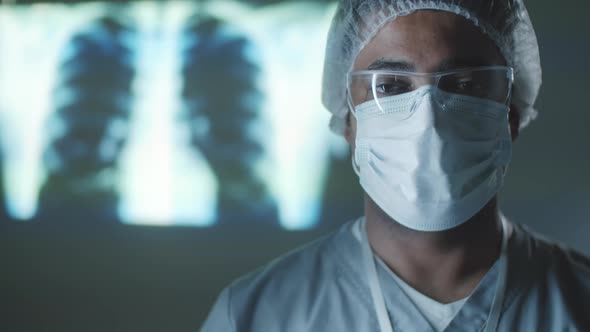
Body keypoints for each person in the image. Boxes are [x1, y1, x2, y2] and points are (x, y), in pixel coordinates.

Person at [201, 1, 590, 331]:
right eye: (390, 86)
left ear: (511, 117)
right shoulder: (258, 316)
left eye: (465, 84)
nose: (428, 122)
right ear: (349, 121)